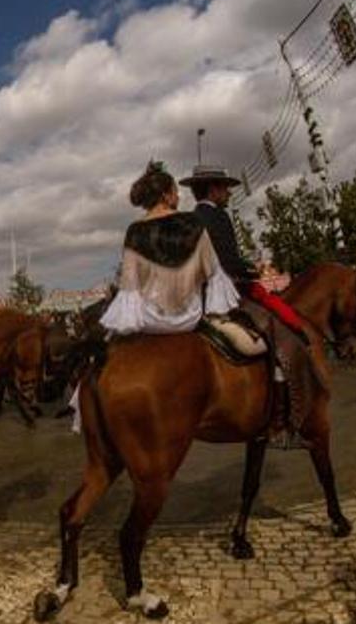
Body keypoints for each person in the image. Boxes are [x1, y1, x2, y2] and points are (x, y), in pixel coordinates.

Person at [183, 165, 320, 449]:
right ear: (212, 189)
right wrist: (251, 270)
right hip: (229, 290)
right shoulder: (217, 216)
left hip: (200, 294)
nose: (228, 192)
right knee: (276, 334)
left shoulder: (192, 218)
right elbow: (228, 260)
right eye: (224, 187)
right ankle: (279, 422)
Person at [100, 163, 238, 335]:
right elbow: (213, 273)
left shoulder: (134, 230)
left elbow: (130, 286)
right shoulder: (193, 222)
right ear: (166, 195)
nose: (178, 197)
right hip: (189, 320)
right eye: (175, 191)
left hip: (150, 321)